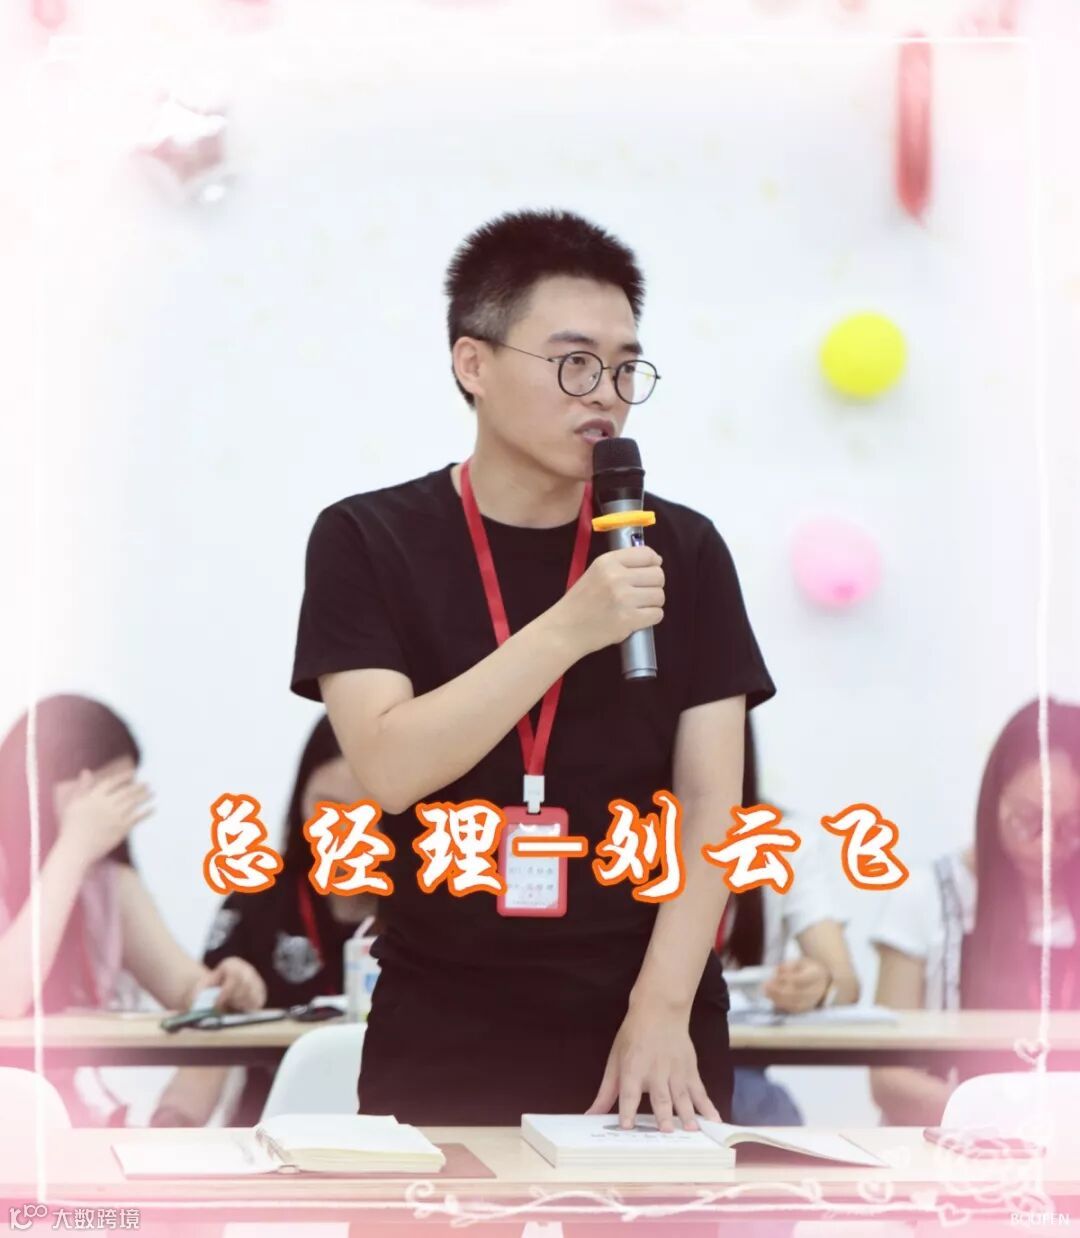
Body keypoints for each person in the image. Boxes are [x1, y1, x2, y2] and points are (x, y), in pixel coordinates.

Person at [290, 208, 776, 1134]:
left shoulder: (682, 548)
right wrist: (571, 628)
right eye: (573, 363)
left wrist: (661, 1011)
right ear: (473, 364)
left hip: (649, 1016)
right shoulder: (367, 539)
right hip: (444, 1017)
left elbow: (713, 803)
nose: (606, 395)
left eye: (625, 368)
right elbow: (389, 768)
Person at [0, 694, 265, 1125]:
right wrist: (73, 846)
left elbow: (185, 987)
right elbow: (7, 998)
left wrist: (226, 985)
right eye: (107, 791)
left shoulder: (107, 882)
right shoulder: (66, 861)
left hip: (66, 1118)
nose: (116, 811)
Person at [150, 714, 379, 1127]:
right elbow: (206, 1053)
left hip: (394, 1137)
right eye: (327, 808)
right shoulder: (256, 897)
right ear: (300, 796)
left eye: (370, 814)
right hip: (266, 1137)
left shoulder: (433, 909)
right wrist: (173, 1125)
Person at [870, 696, 1080, 1126]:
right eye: (1028, 819)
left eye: (1072, 826)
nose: (1047, 844)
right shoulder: (926, 895)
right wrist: (1003, 1118)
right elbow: (889, 1080)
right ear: (993, 798)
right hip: (953, 1146)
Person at [720, 717, 860, 1125]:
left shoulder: (782, 839)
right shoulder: (630, 836)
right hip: (630, 1056)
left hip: (737, 1067)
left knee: (762, 1108)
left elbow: (845, 982)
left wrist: (816, 985)